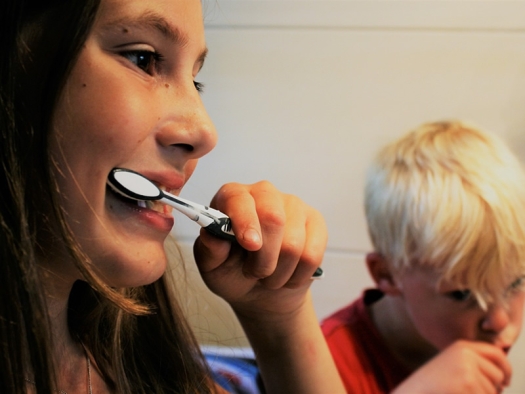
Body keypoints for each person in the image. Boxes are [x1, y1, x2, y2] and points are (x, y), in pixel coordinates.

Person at [0, 0, 346, 393]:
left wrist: (280, 321)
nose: (204, 133)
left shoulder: (145, 368)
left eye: (195, 80)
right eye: (142, 58)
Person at [321, 121, 525, 394]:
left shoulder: (467, 345)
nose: (500, 322)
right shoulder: (324, 368)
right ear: (387, 274)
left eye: (517, 282)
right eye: (464, 294)